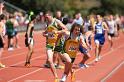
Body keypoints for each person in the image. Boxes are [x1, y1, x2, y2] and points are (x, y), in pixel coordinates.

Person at [42, 11, 67, 82]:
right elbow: (47, 32)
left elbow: (65, 29)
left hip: (58, 43)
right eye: (45, 17)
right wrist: (45, 34)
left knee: (65, 60)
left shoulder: (56, 21)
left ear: (50, 16)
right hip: (49, 44)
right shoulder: (47, 23)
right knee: (50, 60)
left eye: (47, 17)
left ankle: (71, 70)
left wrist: (57, 32)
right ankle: (56, 77)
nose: (46, 18)